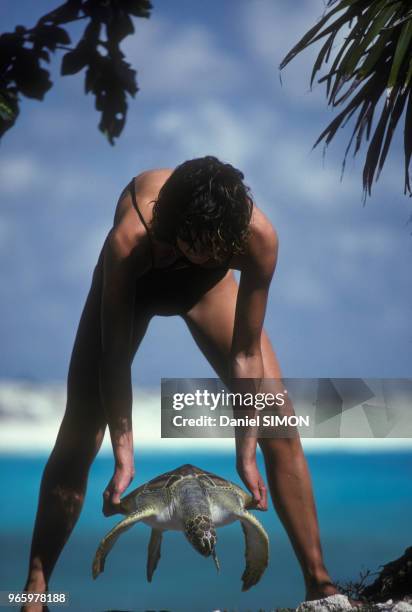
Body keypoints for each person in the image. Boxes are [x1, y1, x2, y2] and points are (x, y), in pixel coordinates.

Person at [23, 156, 346, 610]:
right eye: (197, 248)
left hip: (205, 292)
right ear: (171, 224)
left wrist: (245, 449)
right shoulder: (129, 240)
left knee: (278, 419)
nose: (209, 258)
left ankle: (320, 583)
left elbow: (246, 353)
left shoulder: (258, 238)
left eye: (219, 252)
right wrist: (124, 456)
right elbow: (114, 359)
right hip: (138, 285)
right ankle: (36, 589)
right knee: (81, 428)